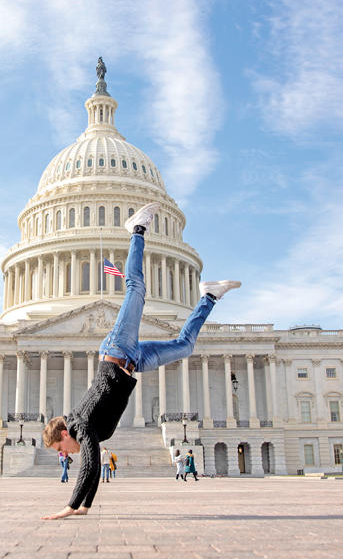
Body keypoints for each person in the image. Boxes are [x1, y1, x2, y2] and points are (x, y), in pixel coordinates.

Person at [41, 202, 240, 519]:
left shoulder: (79, 425)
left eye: (59, 449)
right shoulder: (86, 433)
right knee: (185, 346)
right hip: (133, 362)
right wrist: (84, 507)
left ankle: (136, 230)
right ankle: (209, 296)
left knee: (135, 287)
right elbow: (91, 468)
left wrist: (68, 507)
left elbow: (91, 464)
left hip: (118, 349)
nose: (63, 455)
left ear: (63, 435)